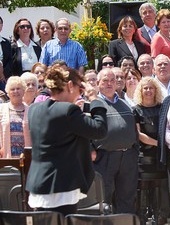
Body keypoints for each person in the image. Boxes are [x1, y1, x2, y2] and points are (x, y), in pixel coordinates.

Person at [26, 66, 107, 216]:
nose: (79, 94)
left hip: (38, 184)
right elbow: (99, 129)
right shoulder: (68, 111)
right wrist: (94, 98)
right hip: (61, 185)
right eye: (79, 89)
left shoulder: (34, 109)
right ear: (70, 85)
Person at [92, 68, 139, 214]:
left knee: (127, 198)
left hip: (127, 158)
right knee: (103, 199)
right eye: (105, 80)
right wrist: (90, 149)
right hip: (104, 158)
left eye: (112, 80)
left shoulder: (126, 104)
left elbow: (134, 130)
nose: (109, 83)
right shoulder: (93, 104)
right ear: (98, 83)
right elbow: (84, 130)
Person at [133, 77, 169, 225]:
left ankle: (157, 219)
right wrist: (159, 144)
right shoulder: (136, 109)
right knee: (142, 188)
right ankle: (142, 219)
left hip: (159, 156)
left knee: (158, 188)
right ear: (141, 91)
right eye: (145, 88)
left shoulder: (163, 107)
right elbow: (139, 135)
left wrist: (161, 147)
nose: (148, 91)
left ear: (156, 90)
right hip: (143, 156)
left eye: (151, 88)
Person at [0, 76, 31, 158]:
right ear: (7, 92)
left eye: (18, 88)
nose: (15, 91)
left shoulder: (31, 110)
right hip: (5, 157)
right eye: (12, 89)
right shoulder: (1, 109)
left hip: (26, 158)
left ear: (24, 91)